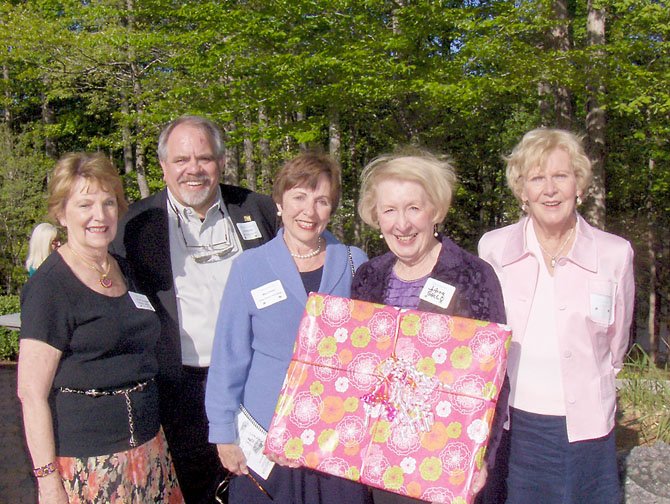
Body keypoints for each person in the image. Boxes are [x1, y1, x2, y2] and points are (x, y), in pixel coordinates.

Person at [111, 115, 278, 503]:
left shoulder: (257, 208)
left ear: (220, 162)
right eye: (181, 159)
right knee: (195, 490)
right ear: (164, 166)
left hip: (256, 386)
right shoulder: (135, 224)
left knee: (260, 487)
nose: (194, 169)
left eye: (204, 158)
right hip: (180, 391)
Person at [478, 128, 635, 503]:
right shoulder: (493, 248)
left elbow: (616, 345)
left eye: (560, 176)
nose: (550, 189)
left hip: (585, 429)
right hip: (513, 424)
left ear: (579, 184)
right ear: (522, 191)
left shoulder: (615, 254)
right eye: (537, 178)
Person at [206, 152, 371, 503]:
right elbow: (229, 355)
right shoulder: (250, 267)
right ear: (279, 202)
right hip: (268, 438)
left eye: (321, 201)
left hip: (337, 439)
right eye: (299, 197)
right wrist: (223, 433)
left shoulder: (356, 263)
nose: (309, 212)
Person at [17, 152, 183, 503]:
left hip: (149, 451)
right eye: (85, 204)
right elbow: (31, 393)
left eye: (109, 203)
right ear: (62, 213)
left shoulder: (126, 269)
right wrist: (48, 482)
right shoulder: (50, 287)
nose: (100, 215)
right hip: (90, 464)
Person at [351, 150, 508, 504]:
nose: (401, 224)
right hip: (380, 460)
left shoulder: (472, 275)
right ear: (376, 216)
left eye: (413, 208)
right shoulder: (368, 278)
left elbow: (495, 378)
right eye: (389, 210)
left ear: (435, 210)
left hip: (447, 458)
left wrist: (479, 457)